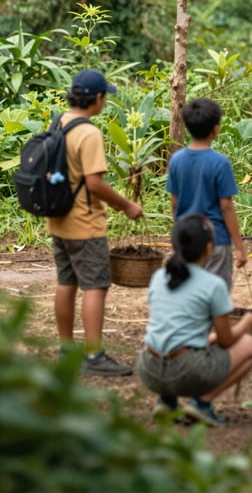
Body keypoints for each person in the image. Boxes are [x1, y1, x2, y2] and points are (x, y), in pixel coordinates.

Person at [47, 68, 144, 377]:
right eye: (105, 97)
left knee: (66, 282)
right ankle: (94, 356)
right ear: (98, 98)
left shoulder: (59, 121)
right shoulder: (89, 133)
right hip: (85, 223)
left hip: (58, 219)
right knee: (95, 286)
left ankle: (66, 350)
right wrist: (127, 205)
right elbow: (94, 183)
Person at [135, 213, 252, 427]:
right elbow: (226, 341)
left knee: (185, 342)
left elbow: (174, 330)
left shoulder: (159, 277)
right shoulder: (213, 285)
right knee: (249, 346)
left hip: (149, 368)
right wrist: (246, 324)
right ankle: (202, 404)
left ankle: (166, 400)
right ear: (209, 248)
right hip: (185, 371)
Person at [166, 98, 247, 290]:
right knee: (215, 294)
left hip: (187, 241)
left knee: (190, 292)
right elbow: (226, 207)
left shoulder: (176, 160)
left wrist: (179, 235)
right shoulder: (220, 163)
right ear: (216, 129)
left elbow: (174, 204)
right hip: (216, 240)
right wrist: (240, 248)